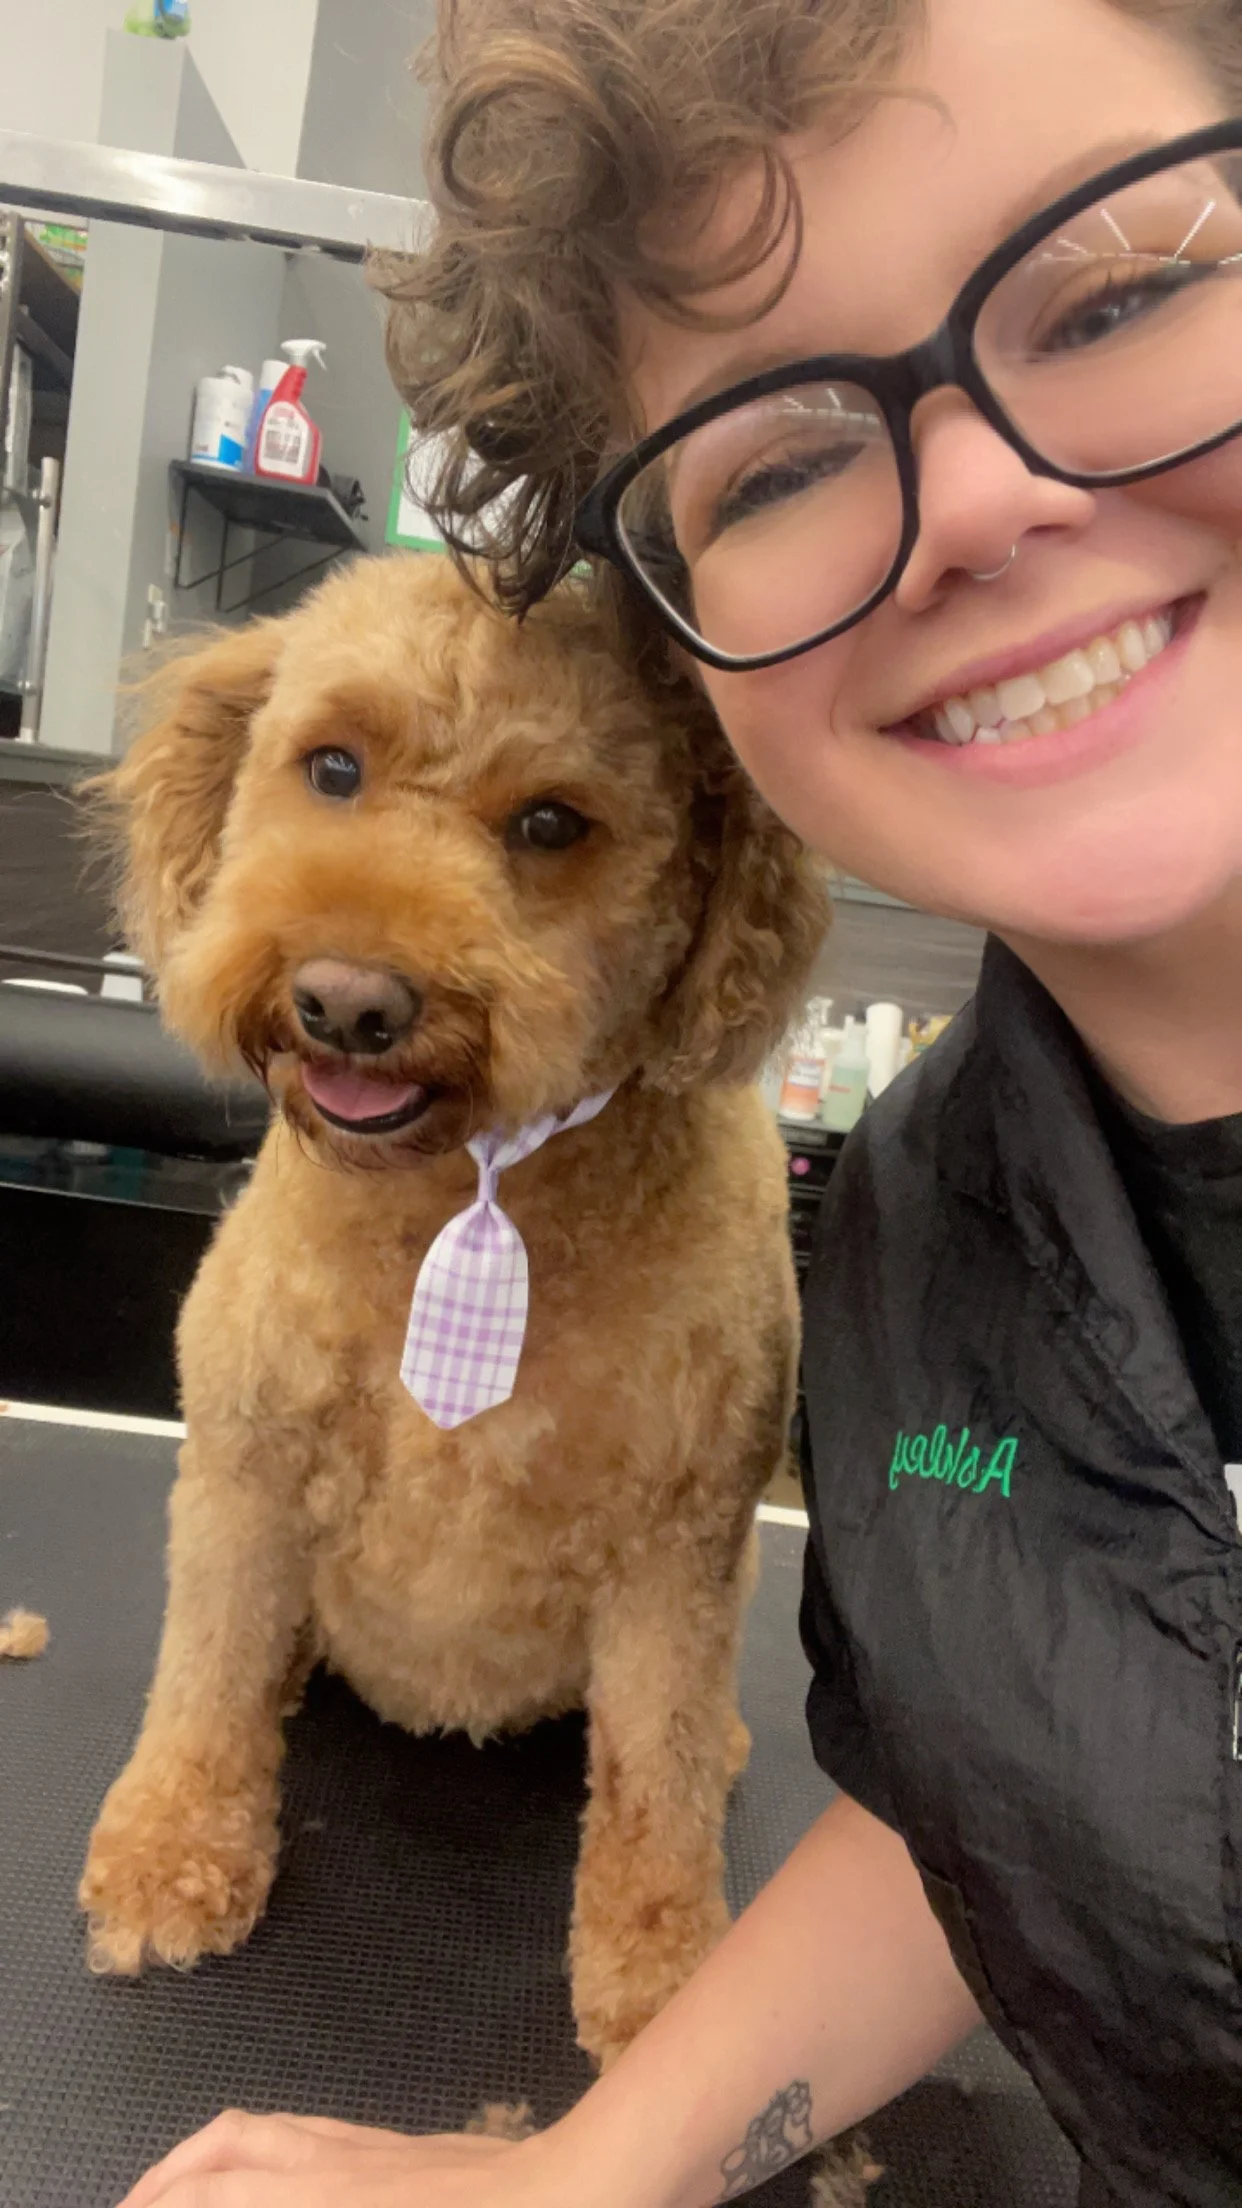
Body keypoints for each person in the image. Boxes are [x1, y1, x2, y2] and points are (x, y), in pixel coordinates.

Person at [119, 0, 1242, 2203]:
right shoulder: (933, 1238)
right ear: (711, 639)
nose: (983, 505)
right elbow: (999, 1795)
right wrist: (579, 2172)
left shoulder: (766, 1224)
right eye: (784, 457)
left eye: (1118, 290)